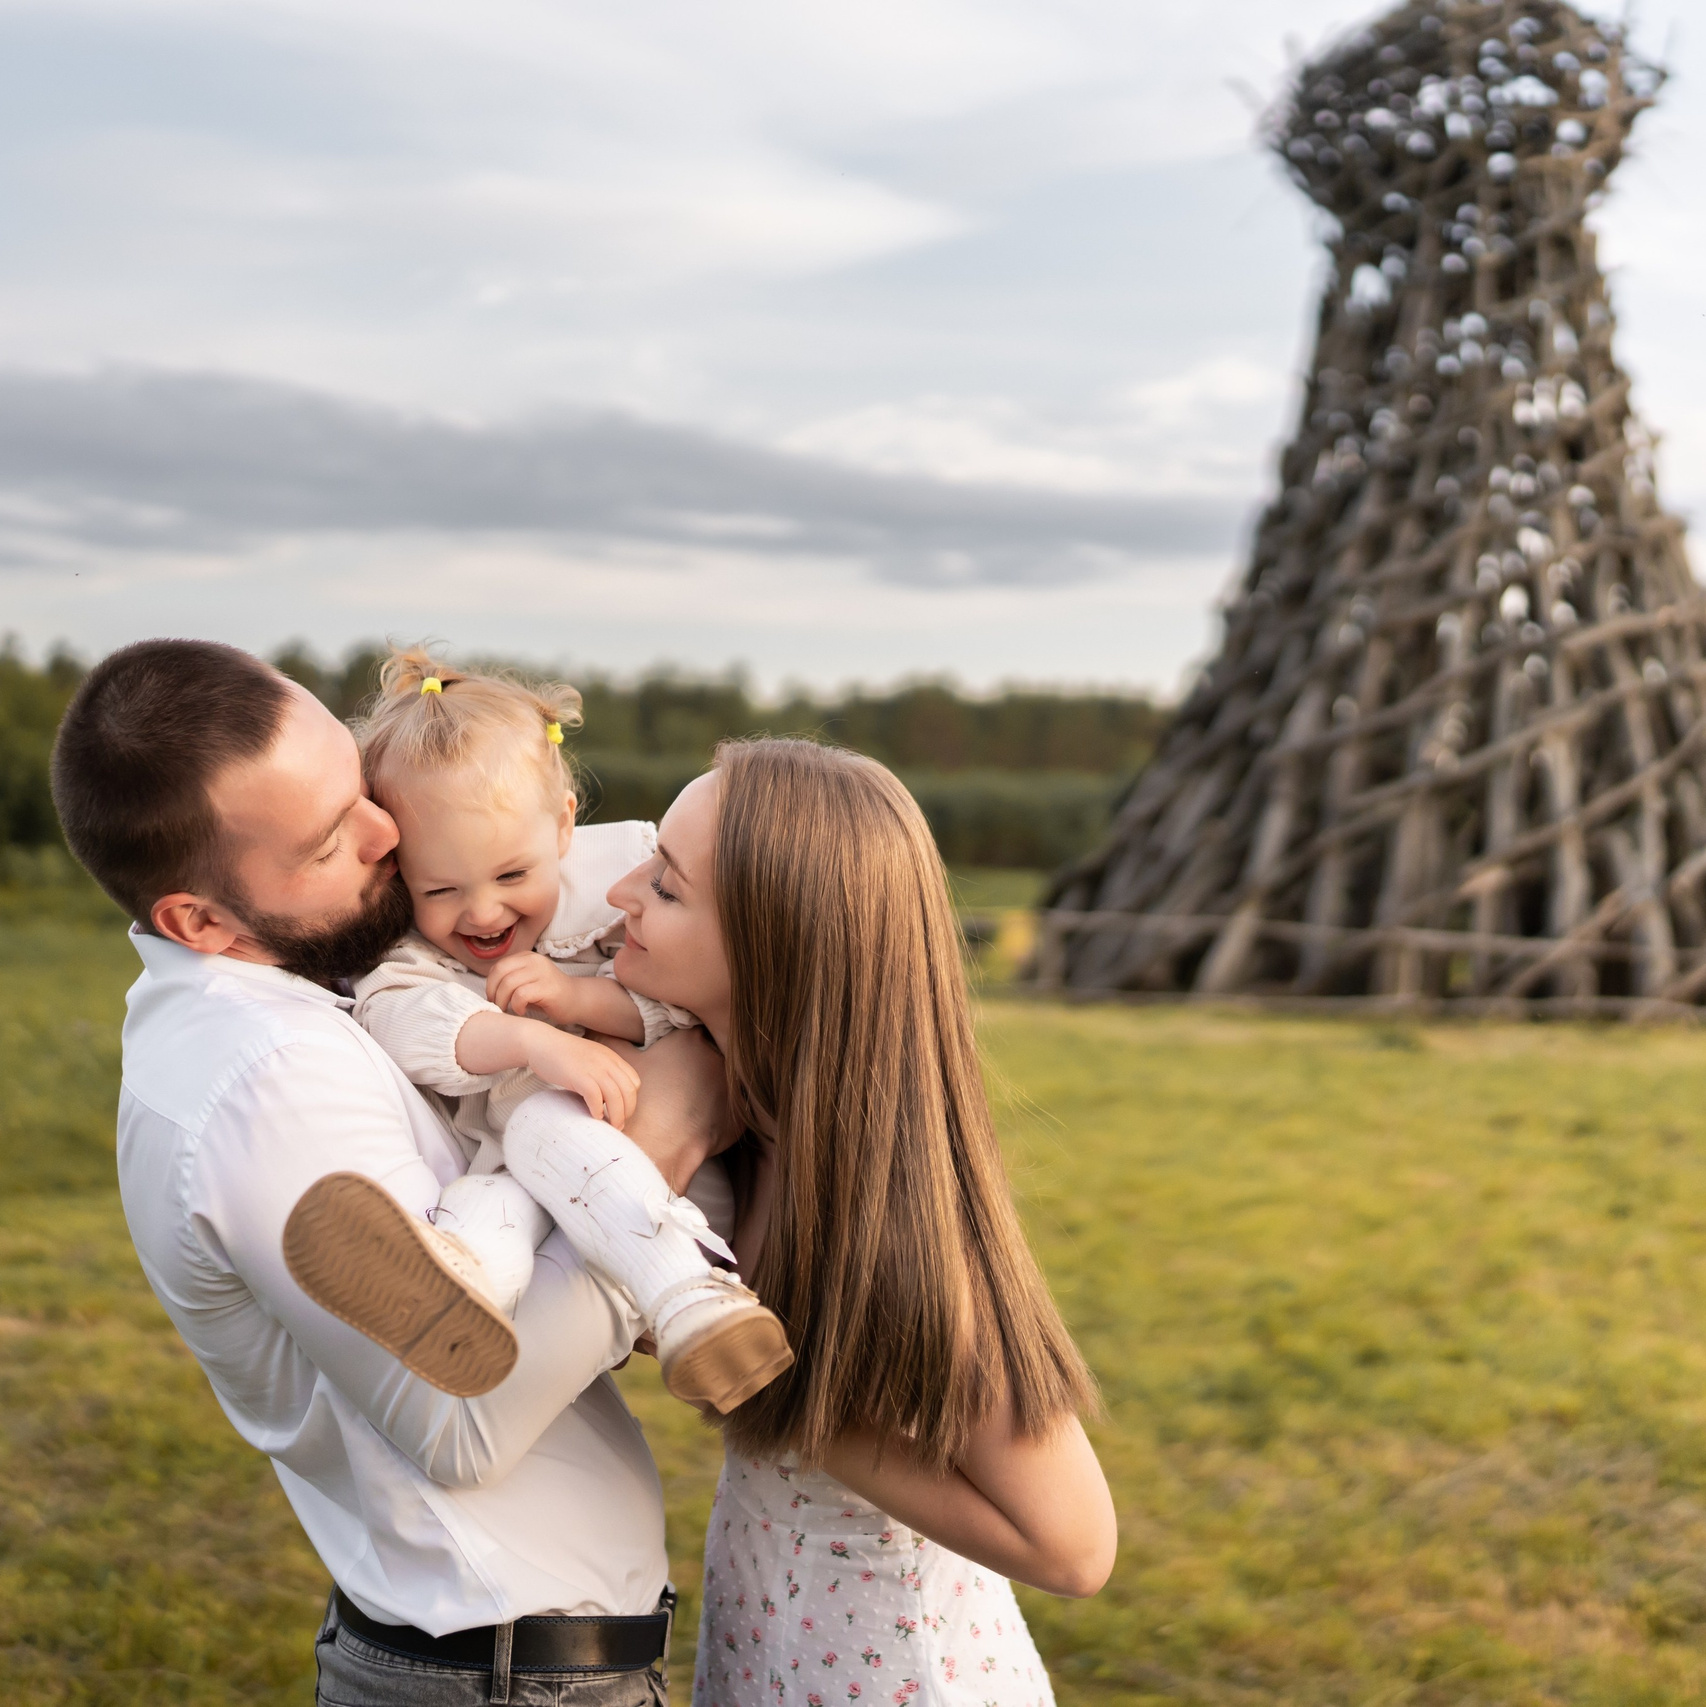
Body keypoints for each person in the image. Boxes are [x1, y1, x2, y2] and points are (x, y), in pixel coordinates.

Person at [50, 638, 736, 1706]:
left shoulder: (311, 992)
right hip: (499, 1675)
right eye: (332, 838)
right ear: (200, 919)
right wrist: (670, 1142)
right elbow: (456, 1428)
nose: (387, 829)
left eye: (354, 786)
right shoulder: (269, 1077)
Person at [498, 739, 1118, 1707]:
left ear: (772, 943)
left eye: (665, 884)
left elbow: (1074, 1546)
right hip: (771, 1646)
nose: (621, 891)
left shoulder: (899, 1229)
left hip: (901, 1680)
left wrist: (772, 1401)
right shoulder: (742, 1126)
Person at [284, 646, 792, 1415]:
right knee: (498, 1190)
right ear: (397, 874)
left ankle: (688, 1285)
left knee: (534, 1129)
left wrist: (582, 1007)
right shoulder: (410, 956)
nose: (483, 913)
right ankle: (464, 1287)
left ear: (562, 826)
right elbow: (402, 1022)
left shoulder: (619, 891)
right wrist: (525, 1040)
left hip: (679, 1182)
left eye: (511, 877)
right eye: (442, 888)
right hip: (541, 1211)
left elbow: (685, 1009)